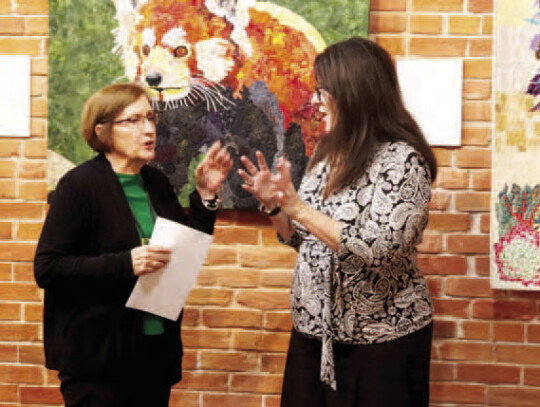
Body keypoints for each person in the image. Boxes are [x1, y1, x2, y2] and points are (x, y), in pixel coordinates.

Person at [239, 37, 437, 407]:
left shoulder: (403, 161)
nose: (314, 102)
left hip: (380, 342)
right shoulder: (326, 154)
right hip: (313, 336)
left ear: (353, 92)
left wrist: (298, 208)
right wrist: (274, 207)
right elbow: (302, 239)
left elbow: (379, 250)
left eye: (322, 91)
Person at [34, 83, 232, 407]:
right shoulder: (78, 186)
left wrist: (206, 196)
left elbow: (182, 248)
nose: (148, 129)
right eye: (134, 120)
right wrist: (125, 263)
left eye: (151, 118)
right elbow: (48, 268)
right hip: (97, 360)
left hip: (153, 353)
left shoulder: (155, 182)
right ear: (103, 132)